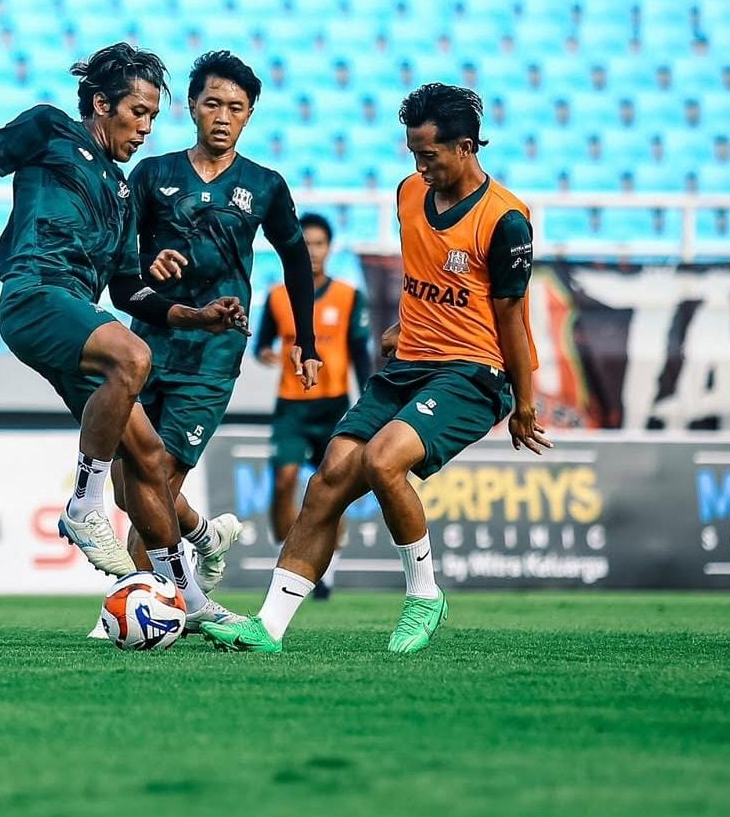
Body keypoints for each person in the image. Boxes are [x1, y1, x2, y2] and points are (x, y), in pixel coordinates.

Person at [203, 82, 550, 655]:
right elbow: (428, 276)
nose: (420, 165)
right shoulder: (409, 193)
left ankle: (424, 593)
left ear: (466, 147)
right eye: (413, 153)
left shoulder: (506, 219)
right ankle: (268, 625)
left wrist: (524, 401)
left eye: (429, 154)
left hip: (473, 370)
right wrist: (402, 326)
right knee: (331, 477)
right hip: (407, 361)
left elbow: (511, 316)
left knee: (384, 460)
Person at [0, 43, 247, 631]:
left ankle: (190, 597)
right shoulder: (47, 129)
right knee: (134, 354)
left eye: (151, 118)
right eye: (137, 113)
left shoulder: (120, 194)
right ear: (101, 103)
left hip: (80, 319)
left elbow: (129, 293)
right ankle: (83, 501)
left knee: (146, 460)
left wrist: (198, 316)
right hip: (35, 294)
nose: (145, 128)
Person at [115, 50, 322, 580]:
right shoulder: (151, 174)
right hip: (148, 344)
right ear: (191, 106)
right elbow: (119, 262)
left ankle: (136, 597)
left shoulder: (265, 185)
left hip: (213, 353)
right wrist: (147, 265)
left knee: (159, 477)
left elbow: (296, 257)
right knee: (125, 483)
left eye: (236, 106)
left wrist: (307, 339)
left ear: (250, 113)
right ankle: (206, 535)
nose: (223, 116)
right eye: (213, 103)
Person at [256, 211, 371, 599]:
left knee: (332, 491)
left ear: (330, 248)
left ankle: (327, 571)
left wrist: (370, 403)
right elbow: (262, 345)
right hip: (291, 405)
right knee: (285, 481)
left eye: (319, 244)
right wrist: (269, 355)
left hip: (334, 405)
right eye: (306, 245)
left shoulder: (349, 297)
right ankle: (287, 559)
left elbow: (360, 354)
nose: (314, 251)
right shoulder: (276, 297)